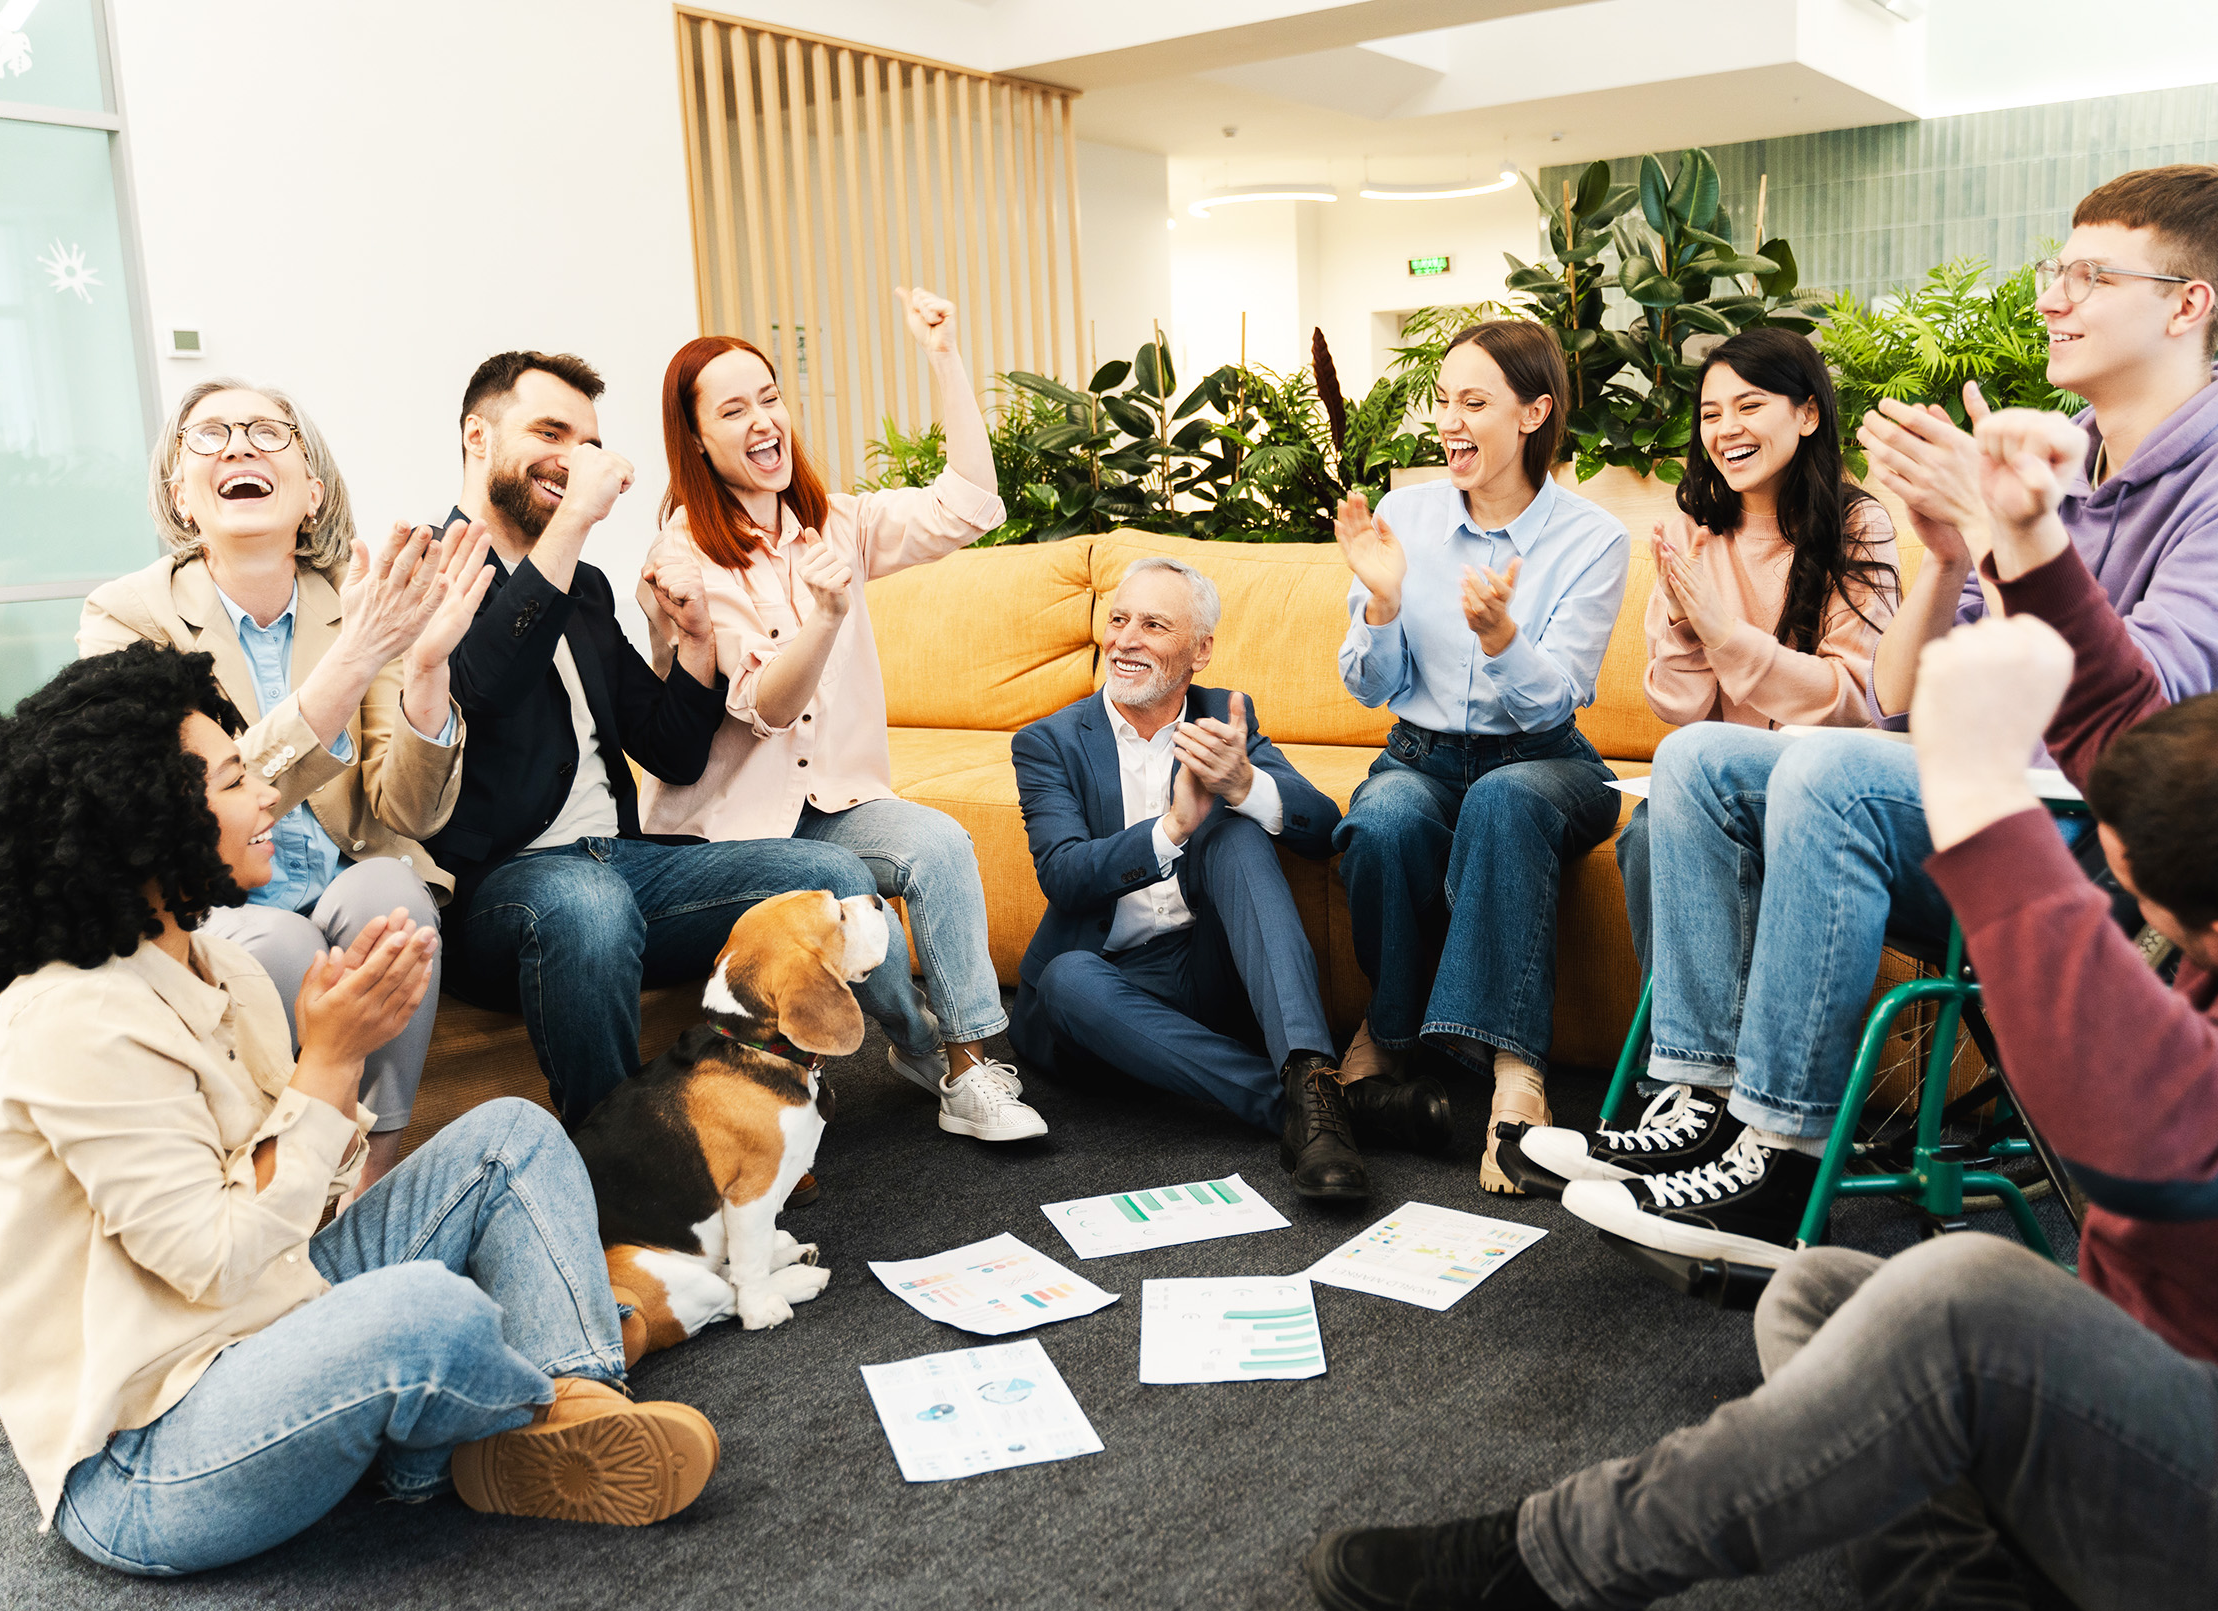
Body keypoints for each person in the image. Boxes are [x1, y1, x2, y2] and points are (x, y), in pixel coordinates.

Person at [1302, 432, 2218, 1611]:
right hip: (2213, 1425)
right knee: (1818, 1295)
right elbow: (2135, 744)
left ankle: (1565, 1557)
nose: (2151, 947)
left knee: (1966, 1293)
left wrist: (1978, 797)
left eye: (2158, 930)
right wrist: (2027, 548)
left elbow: (2157, 1138)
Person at [1560, 162, 2218, 1258]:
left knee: (1825, 771)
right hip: (1997, 808)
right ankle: (1699, 1101)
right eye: (2054, 268)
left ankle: (1781, 1162)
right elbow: (1895, 698)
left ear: (2186, 304)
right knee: (1700, 755)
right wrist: (1941, 555)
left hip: (2126, 845)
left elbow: (2136, 739)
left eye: (2089, 274)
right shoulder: (2075, 466)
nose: (2050, 297)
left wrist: (2000, 533)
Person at [0, 644, 719, 1575]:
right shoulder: (72, 1019)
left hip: (271, 1321)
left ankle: (569, 1410)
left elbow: (305, 1208)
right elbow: (213, 1261)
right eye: (230, 778)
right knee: (427, 1310)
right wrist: (331, 1060)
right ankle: (531, 1392)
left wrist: (337, 1061)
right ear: (146, 822)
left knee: (513, 1135)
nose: (267, 797)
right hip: (147, 1459)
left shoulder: (230, 970)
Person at [424, 349, 923, 1132]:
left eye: (588, 444)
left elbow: (671, 750)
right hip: (504, 889)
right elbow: (484, 685)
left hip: (622, 864)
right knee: (587, 906)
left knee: (828, 868)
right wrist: (579, 519)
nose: (575, 460)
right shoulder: (429, 567)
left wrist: (692, 646)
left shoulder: (583, 589)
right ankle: (626, 1170)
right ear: (477, 437)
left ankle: (777, 1109)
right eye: (550, 432)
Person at [636, 289, 1045, 1142]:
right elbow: (766, 706)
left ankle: (970, 1066)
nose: (762, 420)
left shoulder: (837, 522)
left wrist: (943, 355)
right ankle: (916, 1041)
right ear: (699, 440)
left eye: (771, 397)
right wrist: (824, 618)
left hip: (832, 807)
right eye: (734, 407)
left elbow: (969, 503)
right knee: (851, 885)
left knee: (937, 843)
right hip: (730, 833)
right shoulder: (686, 553)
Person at [80, 379, 490, 1189]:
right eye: (210, 436)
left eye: (268, 432)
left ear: (313, 490)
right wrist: (352, 664)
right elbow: (184, 804)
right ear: (181, 496)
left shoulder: (354, 599)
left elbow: (410, 811)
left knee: (393, 897)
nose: (237, 446)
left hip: (343, 877)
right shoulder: (128, 616)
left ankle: (374, 1173)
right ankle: (290, 1176)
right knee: (288, 943)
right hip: (217, 900)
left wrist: (428, 669)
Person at [1008, 556, 1452, 1200]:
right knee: (1066, 979)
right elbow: (1066, 876)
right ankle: (1326, 1110)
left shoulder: (1224, 715)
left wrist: (1245, 785)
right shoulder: (1051, 742)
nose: (1126, 640)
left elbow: (1321, 824)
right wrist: (1172, 828)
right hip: (1102, 992)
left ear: (1201, 649)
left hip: (1206, 973)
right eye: (1119, 619)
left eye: (1154, 625)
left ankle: (1306, 1073)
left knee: (1238, 824)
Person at [1330, 318, 1629, 1194]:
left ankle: (1515, 1073)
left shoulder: (1592, 538)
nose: (1449, 421)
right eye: (1443, 401)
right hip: (1420, 752)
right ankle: (1389, 1031)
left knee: (1502, 803)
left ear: (1535, 412)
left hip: (1544, 759)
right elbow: (1367, 685)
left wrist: (1500, 637)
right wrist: (1381, 606)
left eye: (1474, 401)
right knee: (1382, 820)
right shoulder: (1403, 514)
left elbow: (1558, 695)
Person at [1606, 326, 1901, 1009]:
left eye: (1749, 406)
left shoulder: (1860, 527)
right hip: (1712, 787)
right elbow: (1678, 709)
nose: (1725, 429)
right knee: (1646, 834)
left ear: (1807, 413)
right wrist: (1683, 625)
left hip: (1818, 787)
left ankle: (1702, 1078)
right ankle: (1685, 1079)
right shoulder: (1691, 533)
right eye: (1710, 414)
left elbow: (1854, 701)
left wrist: (1723, 631)